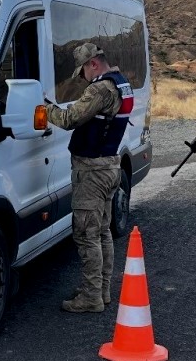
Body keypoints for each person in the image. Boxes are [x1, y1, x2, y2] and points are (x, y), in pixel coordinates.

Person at [42, 42, 134, 313]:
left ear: (93, 63)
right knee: (102, 231)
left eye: (83, 71)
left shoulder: (100, 88)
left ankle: (91, 296)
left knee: (86, 234)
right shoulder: (121, 83)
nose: (83, 78)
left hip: (92, 170)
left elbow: (70, 118)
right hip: (109, 166)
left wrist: (45, 108)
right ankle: (101, 290)